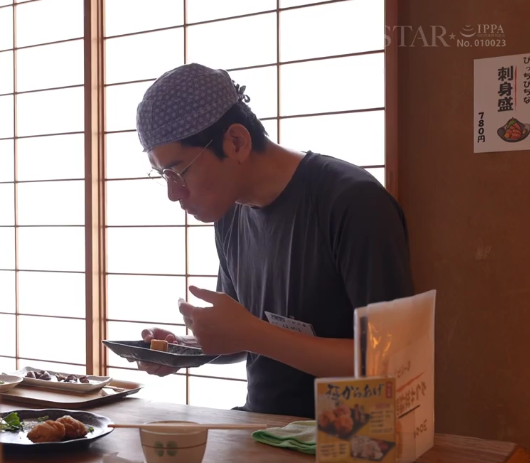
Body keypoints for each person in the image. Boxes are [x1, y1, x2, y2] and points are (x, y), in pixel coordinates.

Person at [133, 63, 414, 419]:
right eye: (163, 175)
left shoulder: (351, 201)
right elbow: (244, 336)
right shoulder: (230, 213)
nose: (173, 193)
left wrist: (252, 335)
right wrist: (182, 349)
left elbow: (391, 359)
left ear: (236, 142)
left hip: (348, 438)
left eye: (179, 171)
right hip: (260, 428)